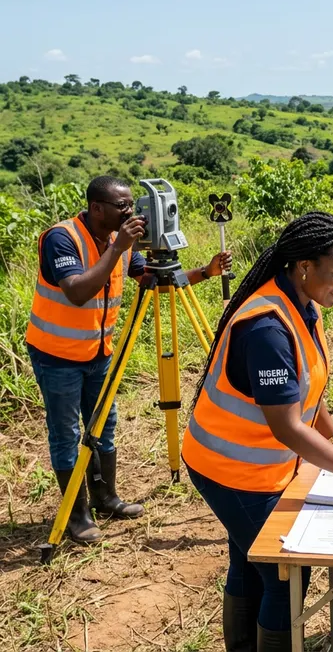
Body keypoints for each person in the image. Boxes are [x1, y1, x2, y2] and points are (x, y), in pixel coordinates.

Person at [182, 211, 333, 652]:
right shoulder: (268, 328)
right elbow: (288, 426)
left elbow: (307, 386)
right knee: (283, 571)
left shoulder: (304, 305)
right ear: (304, 267)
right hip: (229, 469)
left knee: (247, 556)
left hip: (261, 466)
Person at [26, 175, 230, 543]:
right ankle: (77, 515)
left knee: (104, 425)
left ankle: (106, 498)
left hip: (98, 352)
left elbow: (152, 276)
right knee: (67, 434)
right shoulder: (62, 238)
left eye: (132, 204)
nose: (130, 211)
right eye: (122, 206)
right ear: (97, 208)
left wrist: (205, 271)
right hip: (57, 355)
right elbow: (76, 292)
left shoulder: (116, 242)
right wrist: (118, 248)